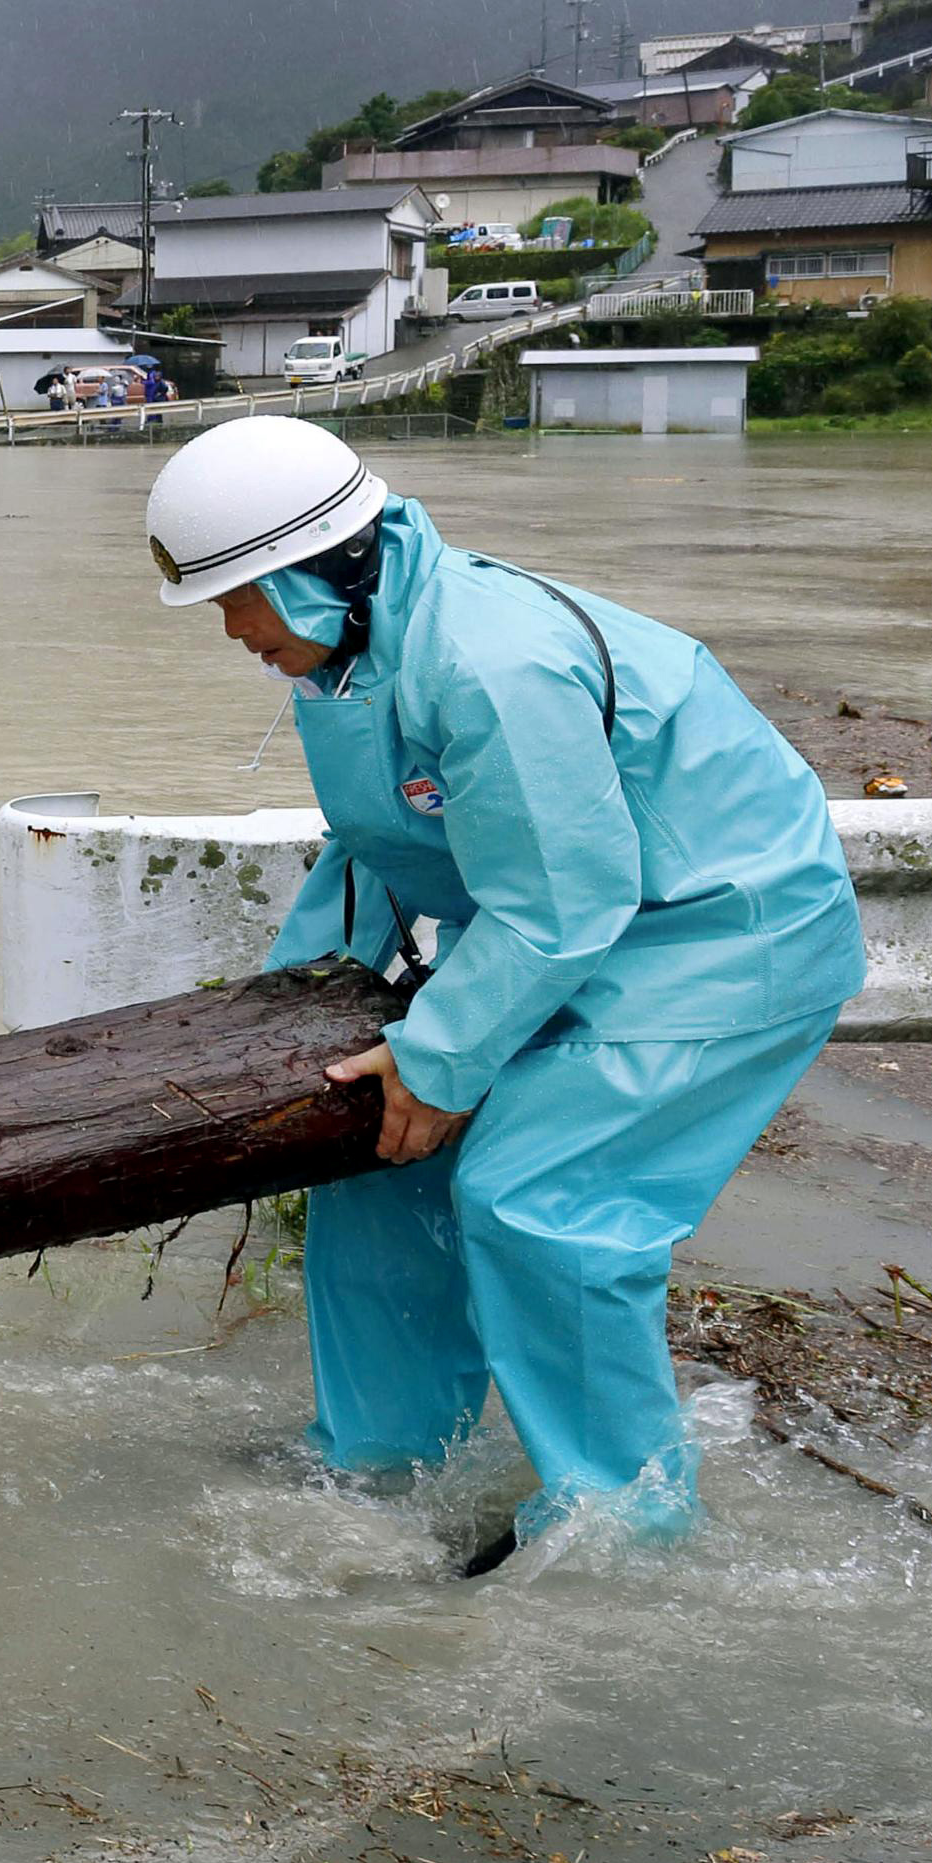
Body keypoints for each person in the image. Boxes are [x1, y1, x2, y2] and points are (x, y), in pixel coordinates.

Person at [142, 418, 864, 1567]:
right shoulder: (352, 656)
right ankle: (376, 1458)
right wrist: (279, 1019)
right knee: (377, 1156)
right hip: (563, 928)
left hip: (714, 940)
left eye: (238, 599)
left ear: (308, 572)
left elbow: (561, 897)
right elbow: (373, 848)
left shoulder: (488, 660)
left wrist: (440, 1054)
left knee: (541, 1194)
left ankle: (619, 1525)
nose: (231, 630)